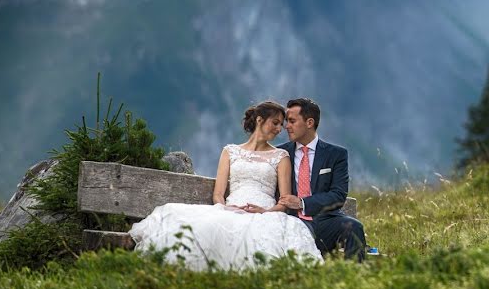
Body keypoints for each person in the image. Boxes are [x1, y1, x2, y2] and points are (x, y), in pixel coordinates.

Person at [128, 101, 323, 271]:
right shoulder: (230, 152)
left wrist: (264, 211)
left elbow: (284, 202)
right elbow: (219, 193)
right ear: (259, 120)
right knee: (205, 226)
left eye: (281, 125)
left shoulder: (281, 157)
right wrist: (225, 207)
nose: (279, 129)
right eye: (275, 123)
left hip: (264, 214)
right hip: (229, 209)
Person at [277, 98, 367, 261]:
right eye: (286, 121)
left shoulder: (336, 154)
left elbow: (338, 195)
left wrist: (302, 203)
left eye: (292, 121)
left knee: (354, 227)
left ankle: (354, 280)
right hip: (290, 221)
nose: (286, 126)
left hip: (324, 222)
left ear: (309, 122)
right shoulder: (280, 153)